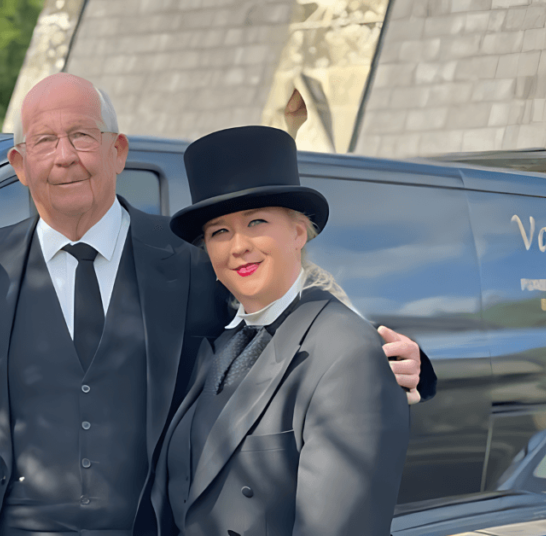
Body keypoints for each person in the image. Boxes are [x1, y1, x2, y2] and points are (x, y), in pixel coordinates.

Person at [0, 72, 430, 535]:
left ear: (118, 151)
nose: (65, 157)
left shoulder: (198, 259)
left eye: (82, 135)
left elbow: (294, 309)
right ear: (18, 162)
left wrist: (403, 362)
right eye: (45, 141)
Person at [145, 126, 409, 536]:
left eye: (256, 222)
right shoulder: (223, 344)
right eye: (219, 232)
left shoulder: (346, 351)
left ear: (299, 232)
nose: (238, 246)